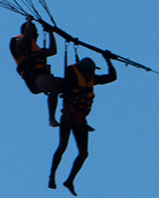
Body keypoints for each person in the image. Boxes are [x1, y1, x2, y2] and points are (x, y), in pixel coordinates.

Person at [49, 54, 116, 195]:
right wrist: (66, 115)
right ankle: (52, 177)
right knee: (62, 146)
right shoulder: (72, 80)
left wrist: (108, 59)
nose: (93, 73)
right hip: (68, 118)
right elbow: (66, 99)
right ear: (84, 70)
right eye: (91, 70)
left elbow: (112, 77)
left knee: (84, 153)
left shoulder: (92, 79)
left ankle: (69, 180)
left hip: (81, 121)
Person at [9, 19, 61, 127]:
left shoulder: (36, 49)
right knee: (53, 86)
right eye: (35, 31)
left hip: (42, 77)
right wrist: (29, 22)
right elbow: (26, 38)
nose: (37, 34)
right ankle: (51, 119)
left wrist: (51, 32)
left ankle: (73, 118)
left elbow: (53, 51)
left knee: (69, 84)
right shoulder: (18, 44)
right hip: (34, 79)